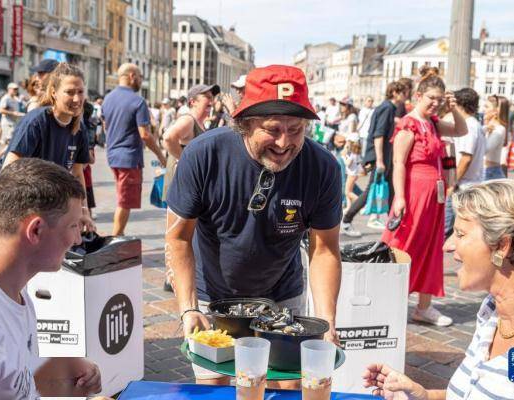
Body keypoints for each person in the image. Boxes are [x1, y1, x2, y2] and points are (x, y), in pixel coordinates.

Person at [165, 65, 342, 387]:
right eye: (272, 129)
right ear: (244, 125)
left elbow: (325, 249)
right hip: (212, 294)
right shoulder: (204, 154)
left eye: (296, 129)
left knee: (285, 387)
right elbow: (177, 238)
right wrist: (188, 308)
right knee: (212, 388)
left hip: (282, 294)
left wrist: (327, 321)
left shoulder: (323, 166)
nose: (284, 142)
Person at [364, 179, 514, 399]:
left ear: (502, 246)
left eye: (460, 234)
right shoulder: (492, 310)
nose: (447, 245)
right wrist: (424, 395)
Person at [0, 158, 105, 399]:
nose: (78, 240)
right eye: (72, 226)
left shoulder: (11, 285)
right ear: (36, 230)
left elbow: (14, 374)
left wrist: (71, 368)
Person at [382, 66, 467, 327]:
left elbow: (461, 130)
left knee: (431, 249)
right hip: (415, 193)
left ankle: (424, 307)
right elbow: (399, 163)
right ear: (419, 95)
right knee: (405, 245)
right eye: (432, 98)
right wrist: (399, 197)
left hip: (435, 197)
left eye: (439, 99)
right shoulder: (409, 124)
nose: (435, 103)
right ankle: (387, 303)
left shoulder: (432, 123)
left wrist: (453, 107)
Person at [0, 62, 95, 239]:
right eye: (69, 92)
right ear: (54, 92)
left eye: (80, 92)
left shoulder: (79, 128)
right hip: (4, 191)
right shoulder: (38, 121)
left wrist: (83, 211)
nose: (77, 99)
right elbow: (10, 168)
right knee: (1, 258)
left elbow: (77, 174)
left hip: (40, 198)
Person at [102, 63, 166, 236]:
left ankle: (118, 236)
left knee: (123, 198)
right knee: (125, 201)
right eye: (140, 76)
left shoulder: (108, 98)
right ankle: (116, 239)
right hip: (128, 157)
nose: (140, 80)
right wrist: (161, 155)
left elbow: (105, 125)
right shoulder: (138, 101)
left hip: (113, 155)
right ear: (131, 76)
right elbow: (144, 134)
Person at [340, 81, 407, 236]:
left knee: (390, 189)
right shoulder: (387, 108)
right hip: (380, 156)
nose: (405, 96)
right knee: (370, 191)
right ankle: (347, 220)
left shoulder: (388, 108)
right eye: (404, 93)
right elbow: (378, 135)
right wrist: (380, 160)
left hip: (383, 156)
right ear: (396, 92)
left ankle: (395, 223)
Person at [161, 84, 219, 208]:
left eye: (212, 98)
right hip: (181, 187)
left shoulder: (200, 122)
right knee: (178, 226)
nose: (211, 101)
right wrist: (185, 161)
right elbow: (167, 138)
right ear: (193, 102)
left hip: (188, 186)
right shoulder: (188, 120)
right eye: (207, 97)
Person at [444, 88, 486, 238]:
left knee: (446, 229)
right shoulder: (475, 124)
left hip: (463, 186)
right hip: (469, 183)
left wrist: (452, 183)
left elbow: (466, 158)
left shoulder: (469, 126)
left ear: (460, 104)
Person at [483, 95, 508, 180]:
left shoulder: (499, 129)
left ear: (495, 111)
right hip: (486, 171)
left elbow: (485, 149)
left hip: (490, 173)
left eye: (486, 107)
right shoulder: (488, 127)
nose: (484, 110)